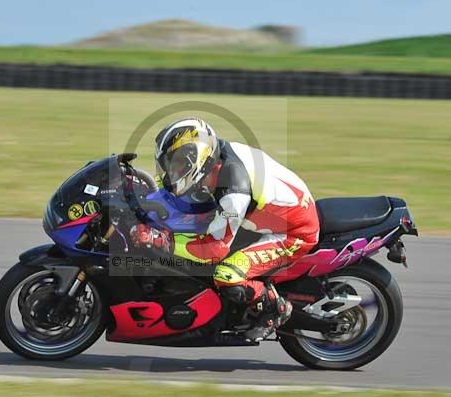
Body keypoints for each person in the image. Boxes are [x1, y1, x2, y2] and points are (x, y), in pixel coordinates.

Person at [129, 118, 320, 342]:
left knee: (228, 275)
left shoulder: (233, 193)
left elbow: (213, 250)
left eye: (175, 164)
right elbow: (172, 190)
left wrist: (164, 241)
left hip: (293, 232)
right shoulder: (215, 158)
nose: (171, 171)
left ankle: (274, 309)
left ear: (195, 159)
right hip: (265, 214)